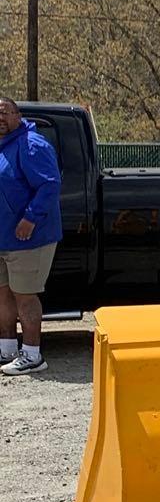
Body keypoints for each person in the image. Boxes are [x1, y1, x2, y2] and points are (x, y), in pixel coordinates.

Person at [0, 97, 62, 377]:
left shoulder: (31, 144)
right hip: (4, 238)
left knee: (25, 297)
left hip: (28, 238)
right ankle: (8, 349)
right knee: (3, 295)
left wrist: (30, 218)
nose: (0, 118)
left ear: (17, 114)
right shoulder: (4, 145)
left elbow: (49, 184)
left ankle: (33, 354)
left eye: (4, 112)